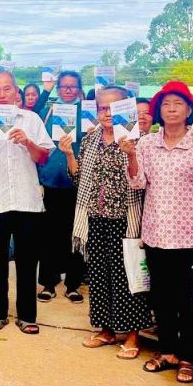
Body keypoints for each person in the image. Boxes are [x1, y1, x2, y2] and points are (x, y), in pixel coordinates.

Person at [123, 81, 193, 384]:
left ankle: (188, 356)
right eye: (166, 104)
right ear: (159, 111)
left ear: (189, 110)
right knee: (162, 296)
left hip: (190, 234)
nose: (172, 109)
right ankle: (166, 351)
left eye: (178, 104)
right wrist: (131, 156)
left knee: (186, 299)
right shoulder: (147, 144)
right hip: (156, 232)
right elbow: (138, 183)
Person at [63, 85, 148, 359]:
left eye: (113, 107)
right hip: (95, 217)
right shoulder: (90, 139)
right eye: (102, 108)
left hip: (127, 219)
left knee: (128, 278)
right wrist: (69, 154)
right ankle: (106, 330)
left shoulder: (139, 139)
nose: (107, 113)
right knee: (99, 276)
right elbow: (78, 180)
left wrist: (131, 153)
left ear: (126, 108)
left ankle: (132, 335)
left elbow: (143, 180)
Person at [0, 70, 53, 334]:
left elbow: (43, 157)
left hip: (27, 202)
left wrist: (27, 142)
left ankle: (27, 316)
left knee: (27, 262)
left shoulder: (31, 119)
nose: (2, 94)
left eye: (7, 89)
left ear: (17, 92)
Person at [37, 71, 87, 303]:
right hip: (50, 181)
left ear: (79, 89)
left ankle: (73, 284)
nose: (68, 90)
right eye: (64, 86)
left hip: (79, 182)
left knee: (76, 234)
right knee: (49, 235)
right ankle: (49, 282)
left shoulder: (87, 113)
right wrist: (45, 90)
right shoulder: (48, 111)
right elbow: (31, 117)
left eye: (72, 86)